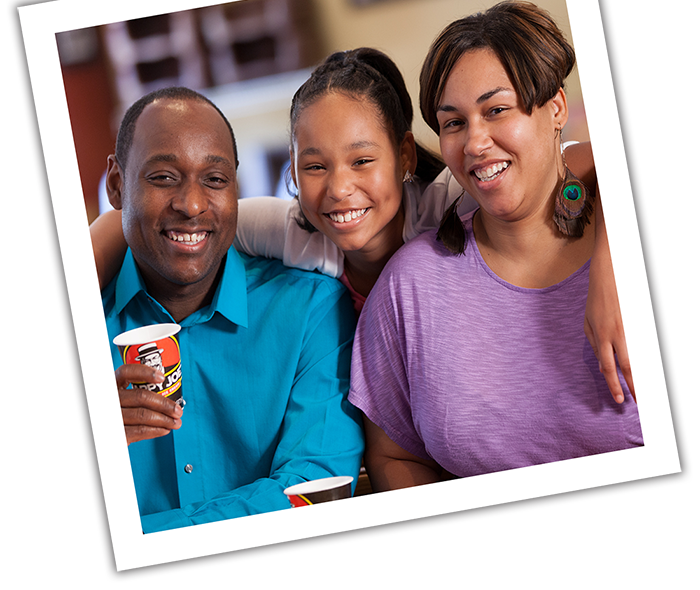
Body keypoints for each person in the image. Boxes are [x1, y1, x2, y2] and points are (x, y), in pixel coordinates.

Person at [91, 48, 630, 402]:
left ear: (403, 157)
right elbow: (126, 221)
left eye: (362, 161)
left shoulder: (446, 202)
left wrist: (609, 274)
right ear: (295, 174)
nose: (339, 189)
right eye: (315, 166)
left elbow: (595, 161)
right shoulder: (292, 227)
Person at [348, 1, 643, 492]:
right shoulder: (411, 286)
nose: (475, 142)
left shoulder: (637, 245)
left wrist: (611, 270)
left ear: (555, 109)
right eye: (454, 123)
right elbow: (394, 454)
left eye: (497, 110)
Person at [101, 86, 363, 533]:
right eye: (163, 177)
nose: (193, 204)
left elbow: (314, 490)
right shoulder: (62, 333)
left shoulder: (309, 311)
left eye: (215, 180)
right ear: (117, 185)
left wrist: (139, 538)